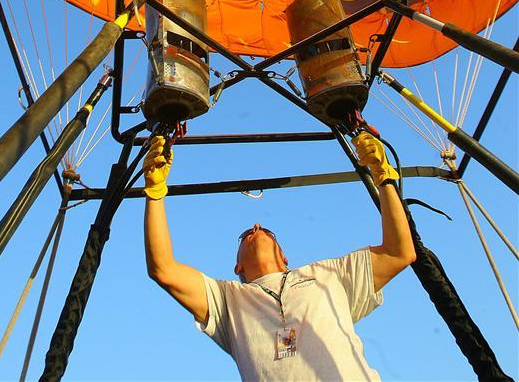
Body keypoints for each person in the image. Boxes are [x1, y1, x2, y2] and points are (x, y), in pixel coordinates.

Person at [143, 132, 416, 381]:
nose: (257, 226)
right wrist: (155, 190)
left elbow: (399, 252)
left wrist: (384, 177)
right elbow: (163, 269)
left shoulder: (326, 274)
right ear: (237, 265)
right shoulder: (228, 300)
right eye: (246, 233)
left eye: (265, 230)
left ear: (285, 257)